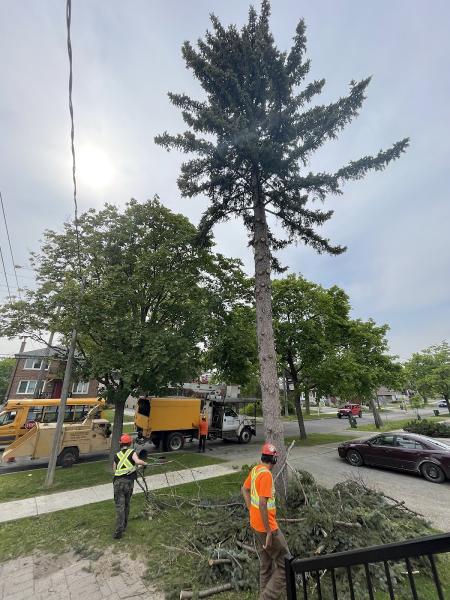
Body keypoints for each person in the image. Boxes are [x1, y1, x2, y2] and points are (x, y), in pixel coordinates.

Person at [241, 443, 290, 600]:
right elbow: (262, 503)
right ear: (274, 459)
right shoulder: (266, 475)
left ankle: (263, 594)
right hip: (267, 528)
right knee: (285, 565)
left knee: (266, 563)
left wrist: (250, 510)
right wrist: (269, 532)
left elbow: (244, 489)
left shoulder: (256, 470)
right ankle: (266, 597)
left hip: (256, 524)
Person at [112, 433, 147, 539]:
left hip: (118, 483)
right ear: (130, 443)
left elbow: (115, 469)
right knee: (127, 505)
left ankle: (119, 530)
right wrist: (144, 463)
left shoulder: (116, 455)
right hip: (129, 483)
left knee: (120, 507)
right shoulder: (132, 452)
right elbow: (137, 462)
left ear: (121, 444)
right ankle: (124, 526)